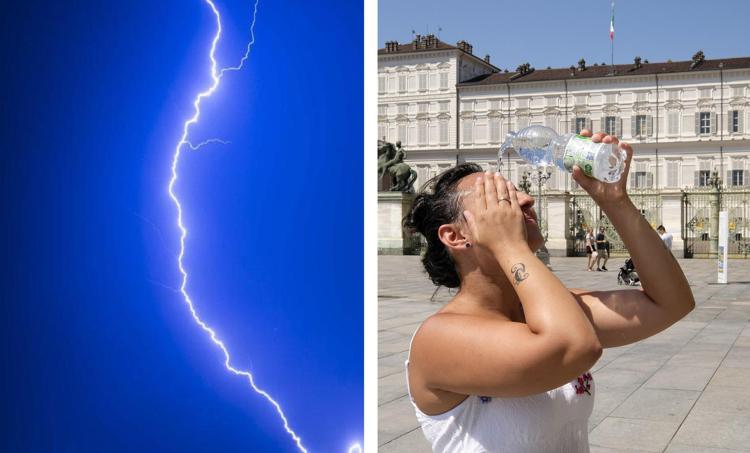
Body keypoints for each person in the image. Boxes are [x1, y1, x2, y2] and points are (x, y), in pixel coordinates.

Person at [402, 130, 695, 453]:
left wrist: (616, 202)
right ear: (455, 236)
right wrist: (509, 244)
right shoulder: (439, 338)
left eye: (517, 192)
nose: (527, 200)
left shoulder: (556, 312)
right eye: (500, 199)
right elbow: (574, 347)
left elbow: (671, 303)